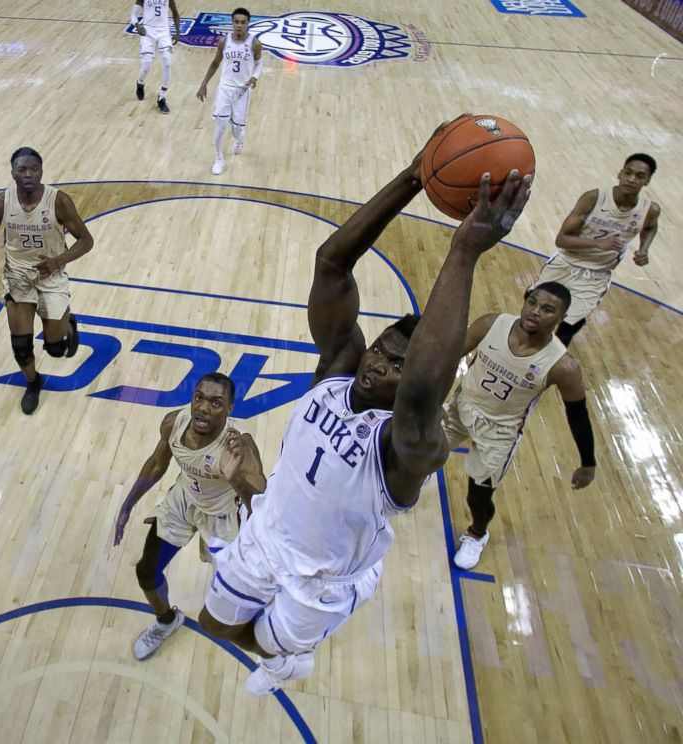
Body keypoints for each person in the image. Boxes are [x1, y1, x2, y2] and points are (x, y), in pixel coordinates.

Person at [196, 120, 533, 696]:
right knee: (214, 626)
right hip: (266, 536)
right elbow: (331, 264)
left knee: (277, 646)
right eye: (381, 349)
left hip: (324, 582)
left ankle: (288, 658)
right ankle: (283, 653)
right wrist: (412, 176)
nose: (379, 363)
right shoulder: (338, 371)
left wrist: (465, 251)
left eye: (398, 364)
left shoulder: (407, 446)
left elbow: (427, 387)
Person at [444, 282, 597, 570]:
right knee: (419, 451)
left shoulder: (563, 366)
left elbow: (578, 414)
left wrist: (588, 463)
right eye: (533, 302)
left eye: (547, 309)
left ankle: (477, 533)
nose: (535, 312)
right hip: (461, 405)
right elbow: (450, 357)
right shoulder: (492, 324)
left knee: (478, 495)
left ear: (561, 318)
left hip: (499, 432)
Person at [114, 373, 266, 660]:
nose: (204, 408)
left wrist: (237, 477)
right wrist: (128, 505)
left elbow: (262, 502)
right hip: (184, 499)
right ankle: (166, 621)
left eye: (216, 402)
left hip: (223, 517)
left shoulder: (239, 445)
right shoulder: (175, 422)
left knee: (229, 599)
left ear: (230, 409)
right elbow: (158, 463)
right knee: (146, 571)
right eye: (199, 398)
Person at [0, 147, 94, 415]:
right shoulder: (1, 203)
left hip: (51, 274)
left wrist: (58, 260)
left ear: (41, 172)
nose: (28, 175)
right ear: (13, 173)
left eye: (34, 169)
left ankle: (68, 323)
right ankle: (33, 381)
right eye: (22, 170)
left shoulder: (59, 201)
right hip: (18, 275)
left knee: (56, 349)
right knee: (21, 347)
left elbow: (86, 240)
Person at [537, 153, 661, 346]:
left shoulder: (650, 209)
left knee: (569, 328)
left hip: (597, 274)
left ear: (647, 181)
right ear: (619, 173)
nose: (631, 179)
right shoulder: (593, 198)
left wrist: (644, 249)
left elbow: (650, 227)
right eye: (628, 173)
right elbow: (561, 240)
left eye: (639, 176)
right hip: (566, 262)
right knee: (535, 313)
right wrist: (598, 244)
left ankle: (546, 367)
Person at [195, 7, 263, 176]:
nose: (239, 25)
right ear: (232, 23)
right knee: (221, 125)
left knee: (236, 129)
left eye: (243, 22)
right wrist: (204, 84)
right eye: (236, 22)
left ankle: (239, 141)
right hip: (225, 88)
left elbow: (259, 63)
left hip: (242, 90)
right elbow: (214, 63)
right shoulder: (224, 42)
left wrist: (255, 77)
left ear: (248, 24)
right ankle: (218, 158)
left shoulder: (254, 43)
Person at [130, 0, 181, 114]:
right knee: (146, 66)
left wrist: (178, 32)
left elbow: (175, 13)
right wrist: (137, 25)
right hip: (147, 31)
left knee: (167, 64)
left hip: (164, 31)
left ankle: (162, 98)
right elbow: (133, 15)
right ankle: (140, 83)